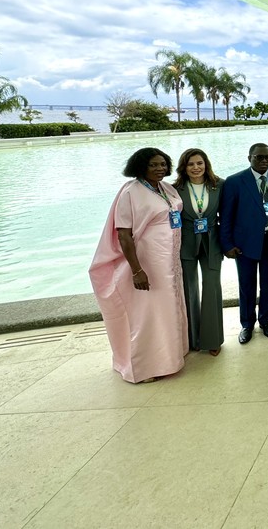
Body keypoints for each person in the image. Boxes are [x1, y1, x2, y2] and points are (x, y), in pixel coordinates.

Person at [88, 148, 187, 383]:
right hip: (147, 261)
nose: (160, 168)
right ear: (141, 167)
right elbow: (123, 235)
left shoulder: (165, 188)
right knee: (147, 313)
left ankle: (170, 357)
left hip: (169, 261)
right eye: (153, 165)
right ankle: (144, 368)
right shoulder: (130, 192)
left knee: (166, 308)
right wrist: (137, 270)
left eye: (163, 164)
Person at [219, 143, 268, 345]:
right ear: (249, 158)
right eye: (259, 157)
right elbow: (226, 216)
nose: (264, 161)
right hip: (244, 244)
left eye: (267, 157)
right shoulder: (234, 181)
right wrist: (227, 244)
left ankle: (266, 320)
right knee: (246, 285)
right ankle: (247, 324)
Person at [173, 148, 224, 356]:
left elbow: (228, 215)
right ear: (184, 167)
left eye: (199, 163)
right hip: (186, 243)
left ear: (206, 164)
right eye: (191, 164)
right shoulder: (174, 189)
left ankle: (213, 339)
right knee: (189, 288)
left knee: (212, 287)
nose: (196, 168)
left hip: (212, 242)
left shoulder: (219, 185)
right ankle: (192, 339)